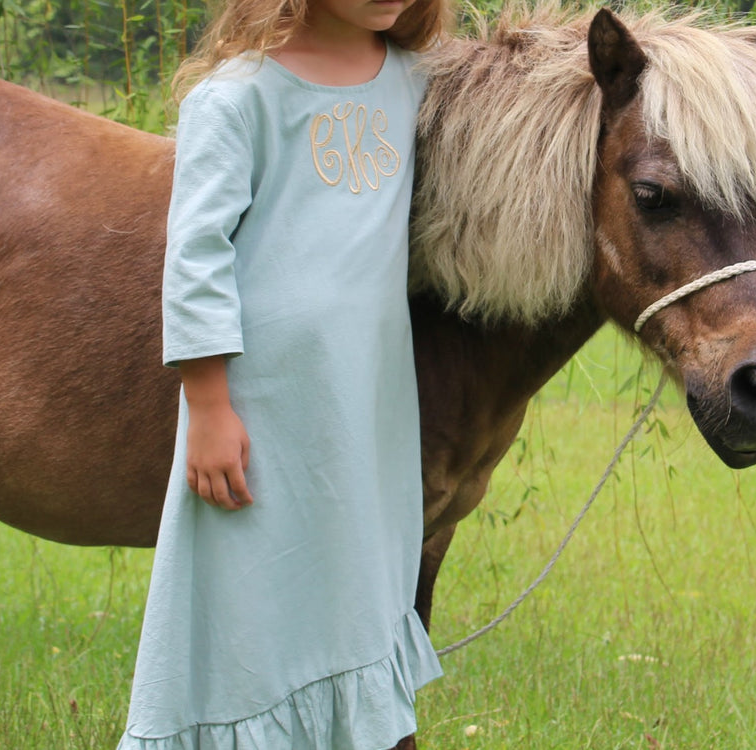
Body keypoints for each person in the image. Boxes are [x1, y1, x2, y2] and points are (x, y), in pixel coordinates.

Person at [116, 0, 449, 746]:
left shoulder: (414, 84)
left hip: (366, 397)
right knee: (250, 584)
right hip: (263, 398)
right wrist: (207, 405)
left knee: (355, 575)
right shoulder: (238, 98)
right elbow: (197, 256)